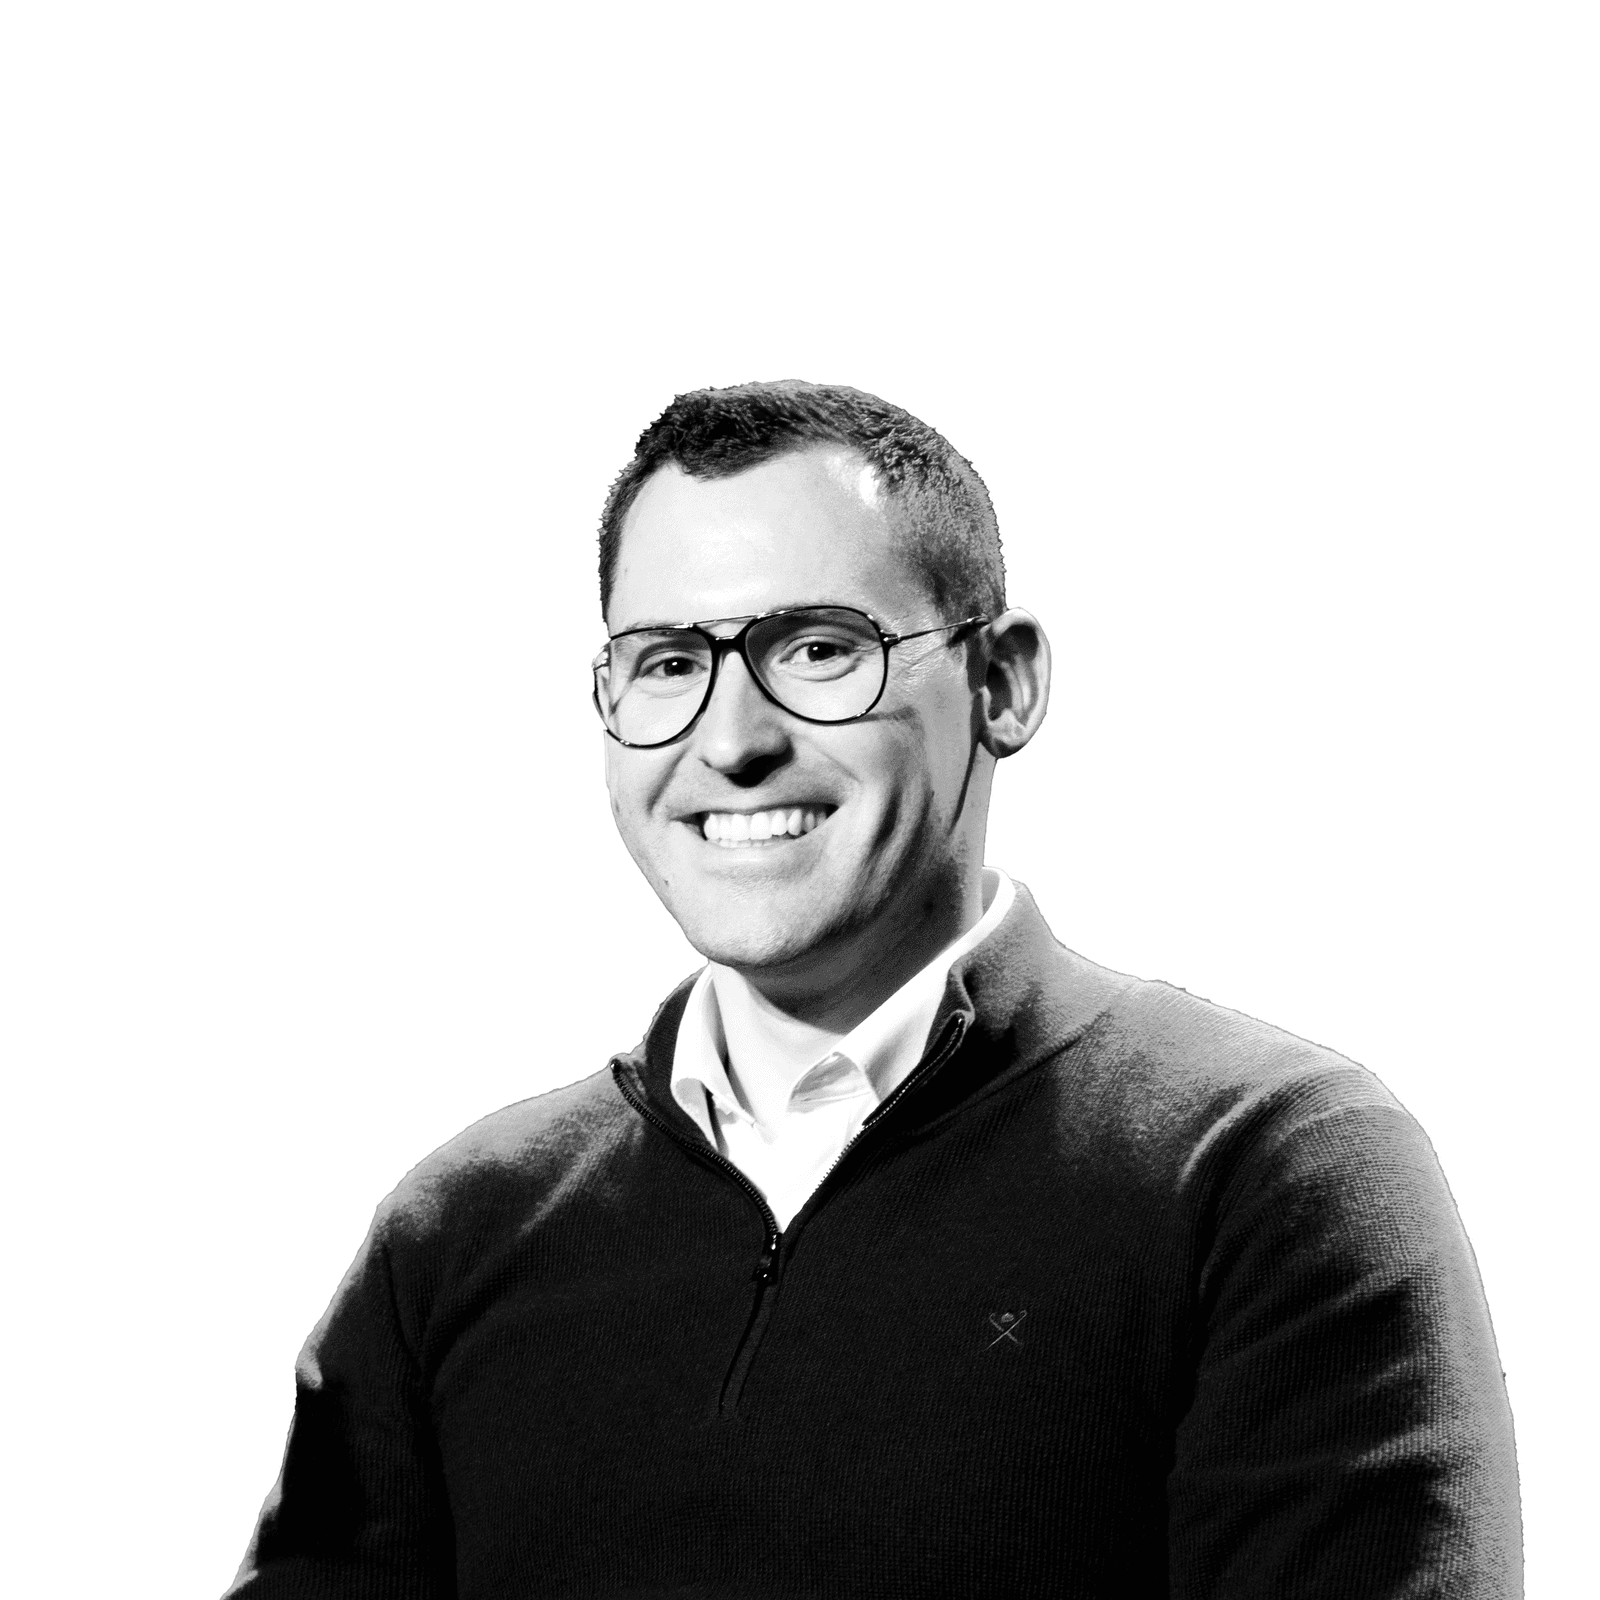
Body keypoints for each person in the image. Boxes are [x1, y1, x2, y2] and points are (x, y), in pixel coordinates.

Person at [227, 381, 1520, 1598]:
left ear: (1003, 683)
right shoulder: (455, 1235)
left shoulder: (1270, 1170)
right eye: (668, 663)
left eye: (817, 649)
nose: (732, 742)